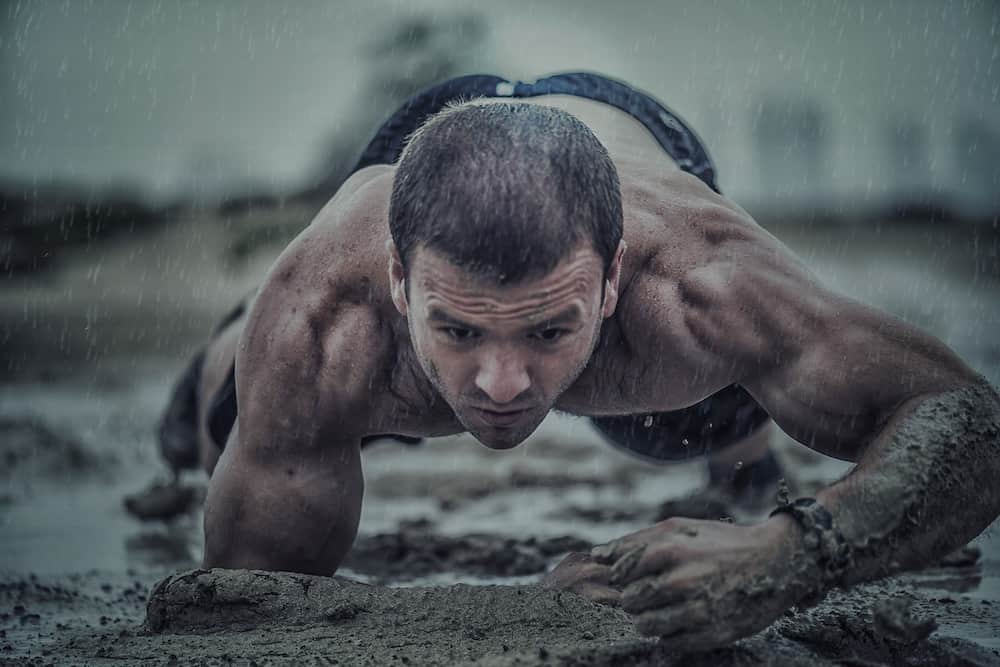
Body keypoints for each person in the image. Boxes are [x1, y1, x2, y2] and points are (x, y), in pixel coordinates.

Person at [155, 73, 1000, 651]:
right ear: (398, 281)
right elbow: (247, 599)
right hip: (426, 150)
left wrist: (792, 551)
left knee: (709, 414)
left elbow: (974, 422)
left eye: (548, 331)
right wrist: (524, 609)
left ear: (610, 282)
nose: (501, 386)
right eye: (459, 330)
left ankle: (745, 458)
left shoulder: (699, 283)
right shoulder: (328, 313)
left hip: (627, 142)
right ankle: (225, 350)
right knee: (240, 409)